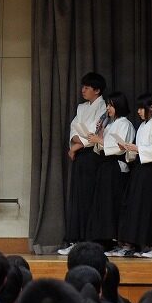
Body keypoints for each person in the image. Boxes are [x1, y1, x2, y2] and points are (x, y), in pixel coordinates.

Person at [59, 72, 107, 255]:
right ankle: (75, 239)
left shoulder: (103, 107)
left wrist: (75, 147)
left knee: (89, 198)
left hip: (93, 156)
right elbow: (74, 127)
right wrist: (75, 144)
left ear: (97, 90)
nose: (83, 90)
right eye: (83, 87)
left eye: (87, 87)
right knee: (77, 197)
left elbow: (93, 134)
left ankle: (88, 241)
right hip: (80, 155)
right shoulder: (81, 107)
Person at [85, 91, 135, 249]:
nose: (108, 108)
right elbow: (101, 146)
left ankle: (115, 239)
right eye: (107, 105)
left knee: (112, 203)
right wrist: (99, 134)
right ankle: (103, 238)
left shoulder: (125, 123)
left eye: (110, 105)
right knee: (102, 203)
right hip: (105, 165)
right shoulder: (110, 124)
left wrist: (100, 140)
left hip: (115, 166)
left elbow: (120, 147)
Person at [114, 93, 152, 258]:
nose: (139, 111)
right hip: (139, 168)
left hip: (149, 168)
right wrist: (127, 149)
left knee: (146, 206)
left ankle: (151, 244)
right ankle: (137, 244)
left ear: (151, 107)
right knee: (134, 206)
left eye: (142, 108)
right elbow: (137, 150)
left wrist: (137, 149)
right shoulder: (143, 125)